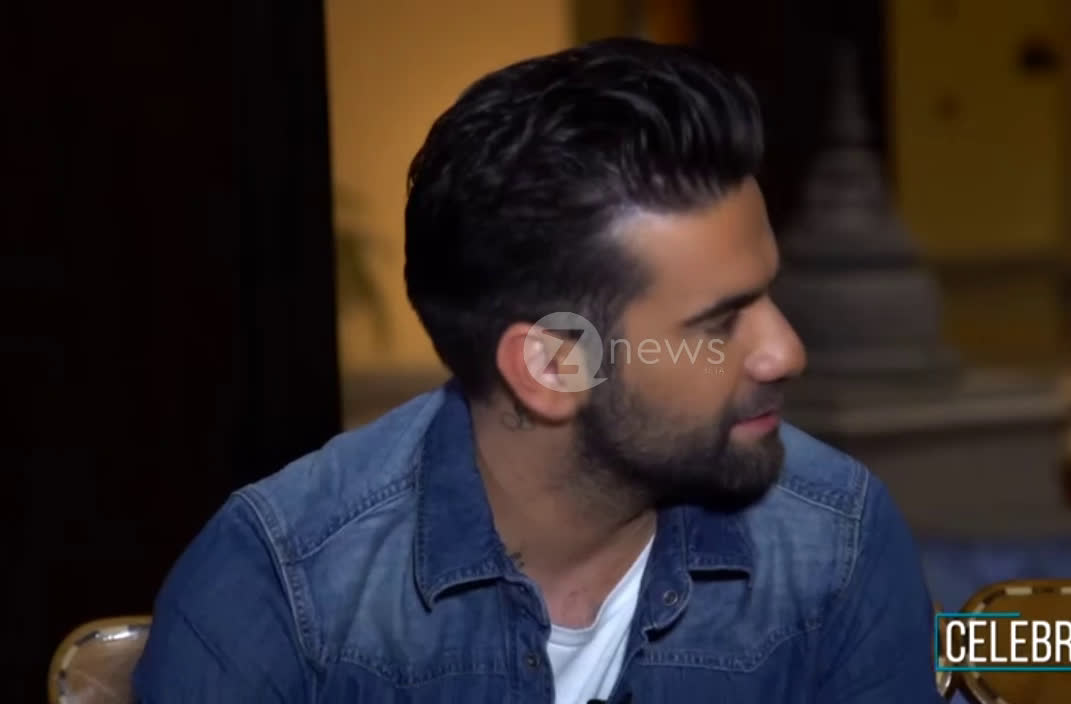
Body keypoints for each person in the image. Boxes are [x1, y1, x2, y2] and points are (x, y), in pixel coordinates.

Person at [133, 37, 942, 703]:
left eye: (768, 294)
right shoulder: (282, 583)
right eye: (719, 322)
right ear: (553, 365)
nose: (786, 350)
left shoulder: (838, 539)